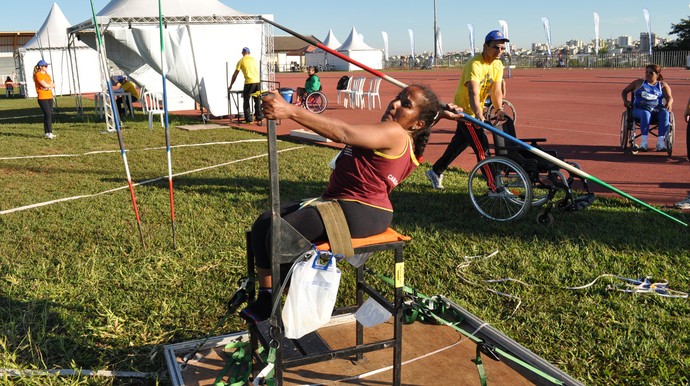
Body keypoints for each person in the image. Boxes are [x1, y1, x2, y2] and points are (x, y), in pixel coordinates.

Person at [240, 84, 463, 323]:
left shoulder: (395, 132)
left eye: (405, 105)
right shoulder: (409, 136)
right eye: (398, 98)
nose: (395, 104)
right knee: (264, 222)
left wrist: (291, 111)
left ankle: (296, 300)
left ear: (417, 123)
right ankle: (267, 297)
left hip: (361, 210)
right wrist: (440, 112)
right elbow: (422, 121)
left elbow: (344, 133)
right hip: (343, 202)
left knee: (278, 232)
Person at [425, 30, 508, 189]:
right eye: (496, 47)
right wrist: (477, 115)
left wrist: (498, 109)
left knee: (459, 143)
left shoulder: (498, 64)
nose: (500, 51)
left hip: (476, 110)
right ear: (485, 46)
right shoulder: (475, 64)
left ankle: (436, 171)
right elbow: (473, 91)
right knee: (482, 150)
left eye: (502, 48)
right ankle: (495, 187)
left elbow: (496, 91)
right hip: (465, 112)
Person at [620, 64, 673, 152]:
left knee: (665, 113)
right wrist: (626, 101)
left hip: (656, 111)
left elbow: (670, 97)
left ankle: (660, 142)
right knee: (646, 113)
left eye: (651, 73)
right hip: (639, 111)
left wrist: (669, 103)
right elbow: (624, 91)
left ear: (657, 74)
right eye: (646, 72)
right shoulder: (639, 83)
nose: (647, 74)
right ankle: (644, 142)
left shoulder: (662, 85)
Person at [229, 47, 262, 124]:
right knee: (257, 100)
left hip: (249, 82)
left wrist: (231, 85)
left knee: (246, 100)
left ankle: (248, 119)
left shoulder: (241, 61)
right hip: (257, 82)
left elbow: (235, 75)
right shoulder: (254, 60)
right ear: (249, 53)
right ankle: (259, 117)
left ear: (242, 53)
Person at [33, 59, 56, 139]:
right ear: (40, 67)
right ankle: (49, 132)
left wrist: (49, 86)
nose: (47, 67)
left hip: (49, 96)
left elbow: (51, 85)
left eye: (46, 66)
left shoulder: (47, 75)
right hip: (42, 97)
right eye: (45, 66)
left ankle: (47, 132)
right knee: (48, 114)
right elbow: (46, 85)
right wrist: (49, 86)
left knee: (48, 114)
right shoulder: (38, 74)